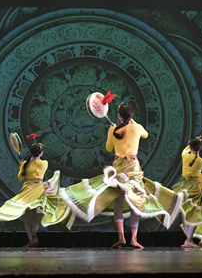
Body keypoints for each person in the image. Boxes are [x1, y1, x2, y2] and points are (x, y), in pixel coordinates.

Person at [61, 103, 183, 249]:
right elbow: (146, 134)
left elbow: (108, 148)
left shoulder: (113, 130)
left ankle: (121, 237)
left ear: (119, 116)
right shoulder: (137, 128)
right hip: (133, 167)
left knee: (118, 201)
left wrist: (115, 130)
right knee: (136, 202)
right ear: (132, 115)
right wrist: (130, 122)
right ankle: (133, 239)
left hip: (119, 168)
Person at [0, 142, 71, 247]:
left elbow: (20, 178)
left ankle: (31, 238)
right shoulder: (44, 163)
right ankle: (34, 235)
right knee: (36, 214)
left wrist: (21, 167)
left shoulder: (26, 164)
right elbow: (37, 167)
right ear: (40, 153)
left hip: (27, 188)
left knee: (27, 215)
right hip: (38, 188)